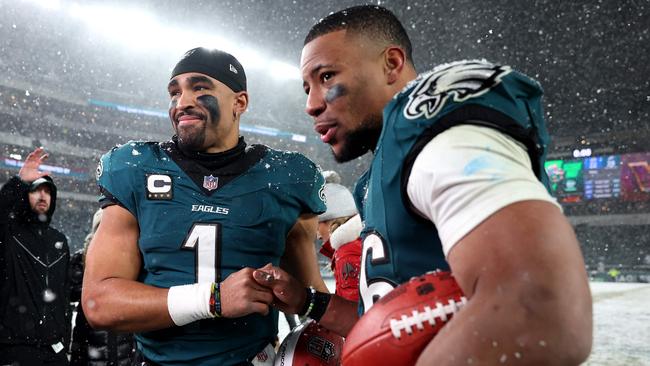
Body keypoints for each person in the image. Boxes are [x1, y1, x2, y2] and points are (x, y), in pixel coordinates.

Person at [252, 5, 593, 365]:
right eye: (306, 87)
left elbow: (540, 311)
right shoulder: (380, 174)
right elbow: (391, 325)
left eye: (326, 77)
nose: (311, 105)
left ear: (392, 64)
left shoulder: (431, 128)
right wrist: (307, 301)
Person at [81, 47, 328, 365]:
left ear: (240, 102)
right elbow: (100, 303)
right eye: (175, 91)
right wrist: (214, 300)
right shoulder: (135, 168)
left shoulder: (287, 178)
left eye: (200, 88)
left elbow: (310, 297)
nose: (181, 102)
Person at [0, 147, 71, 365]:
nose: (43, 195)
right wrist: (20, 181)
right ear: (25, 195)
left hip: (54, 350)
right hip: (14, 348)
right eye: (36, 190)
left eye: (48, 191)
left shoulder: (59, 240)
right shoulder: (10, 232)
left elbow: (64, 294)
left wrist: (64, 340)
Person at [69, 209, 135, 366]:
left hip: (124, 354)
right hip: (89, 352)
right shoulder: (80, 262)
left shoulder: (133, 260)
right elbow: (67, 294)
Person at [317, 170, 361, 302]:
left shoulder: (348, 253)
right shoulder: (361, 243)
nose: (317, 235)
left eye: (317, 224)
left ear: (331, 221)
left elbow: (352, 313)